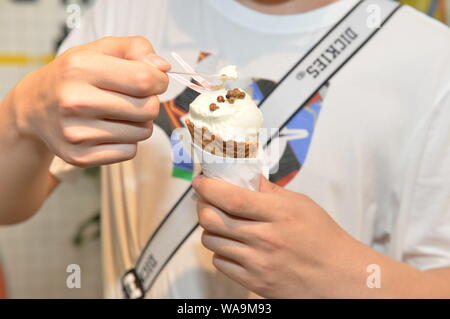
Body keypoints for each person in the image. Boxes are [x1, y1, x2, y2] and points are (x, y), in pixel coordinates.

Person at [0, 0, 449, 298]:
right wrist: (22, 115)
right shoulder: (128, 11)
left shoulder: (431, 59)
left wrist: (346, 277)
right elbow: (10, 204)